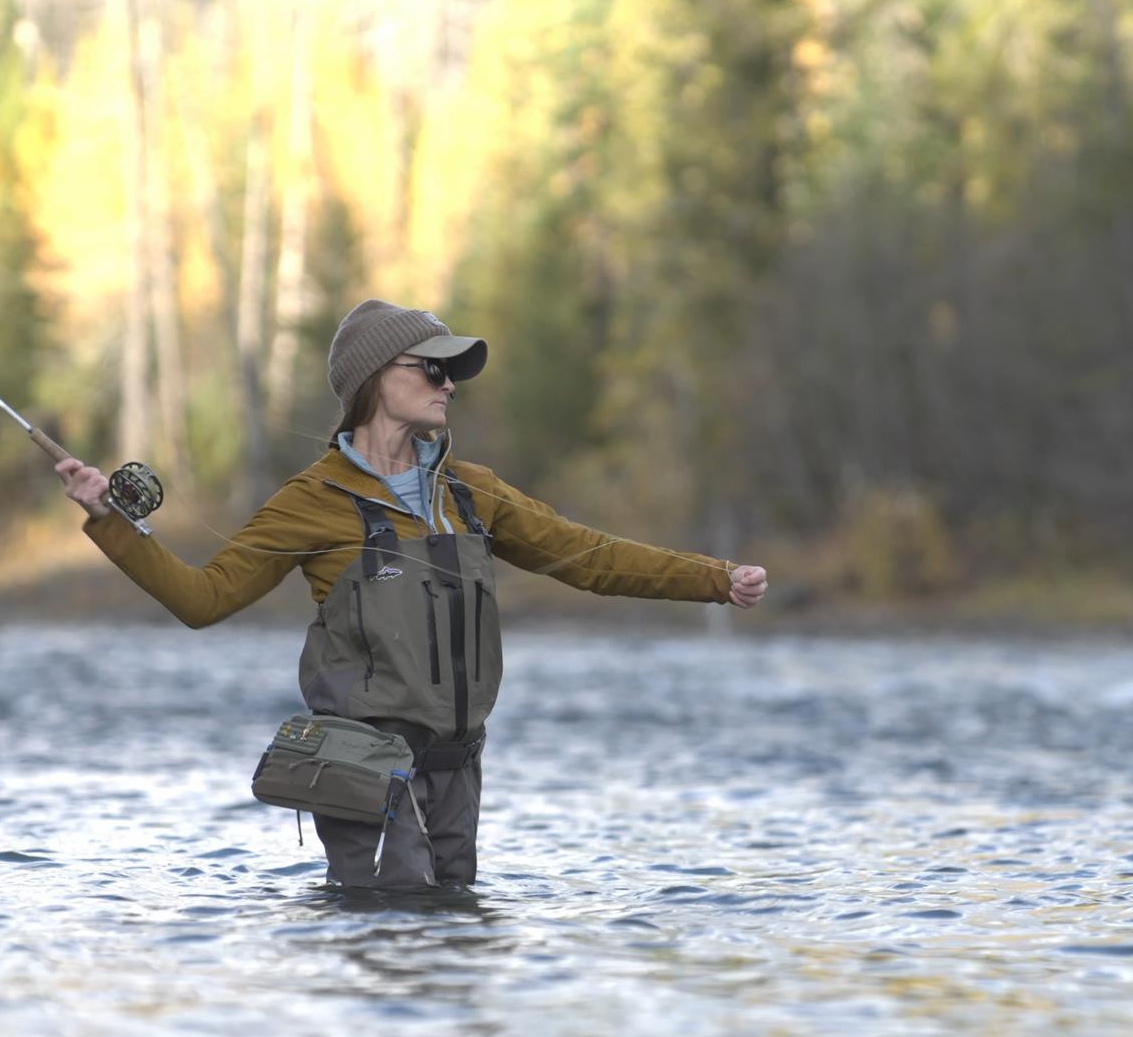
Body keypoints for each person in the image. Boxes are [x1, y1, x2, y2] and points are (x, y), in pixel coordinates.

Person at [55, 300, 767, 888]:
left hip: (459, 768)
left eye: (452, 371)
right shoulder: (312, 502)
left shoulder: (473, 492)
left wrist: (713, 579)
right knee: (395, 941)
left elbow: (589, 558)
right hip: (365, 771)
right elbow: (202, 599)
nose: (449, 383)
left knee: (452, 948)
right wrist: (110, 521)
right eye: (433, 367)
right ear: (374, 379)